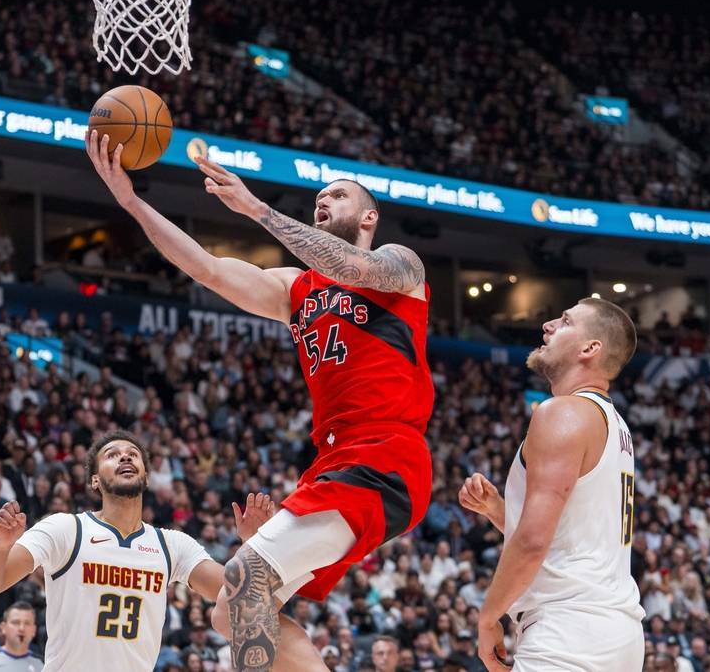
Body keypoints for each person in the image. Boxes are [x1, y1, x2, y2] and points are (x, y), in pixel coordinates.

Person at [87, 122, 433, 672]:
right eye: (319, 197)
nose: (322, 201)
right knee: (232, 610)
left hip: (384, 457)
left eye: (337, 195)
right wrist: (131, 202)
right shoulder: (296, 289)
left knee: (246, 578)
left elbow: (352, 266)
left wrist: (256, 209)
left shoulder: (401, 266)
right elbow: (206, 268)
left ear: (368, 217)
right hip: (334, 460)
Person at [0, 430, 273, 671]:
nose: (125, 456)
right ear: (95, 480)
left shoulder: (172, 545)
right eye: (112, 454)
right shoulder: (65, 529)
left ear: (146, 476)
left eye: (133, 454)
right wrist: (2, 547)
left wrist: (253, 545)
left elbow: (238, 596)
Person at [458, 298, 645, 671]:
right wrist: (500, 511)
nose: (548, 325)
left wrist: (487, 619)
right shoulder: (615, 425)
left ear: (590, 348)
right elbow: (571, 539)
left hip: (568, 632)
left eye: (565, 322)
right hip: (616, 635)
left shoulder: (562, 412)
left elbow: (533, 541)